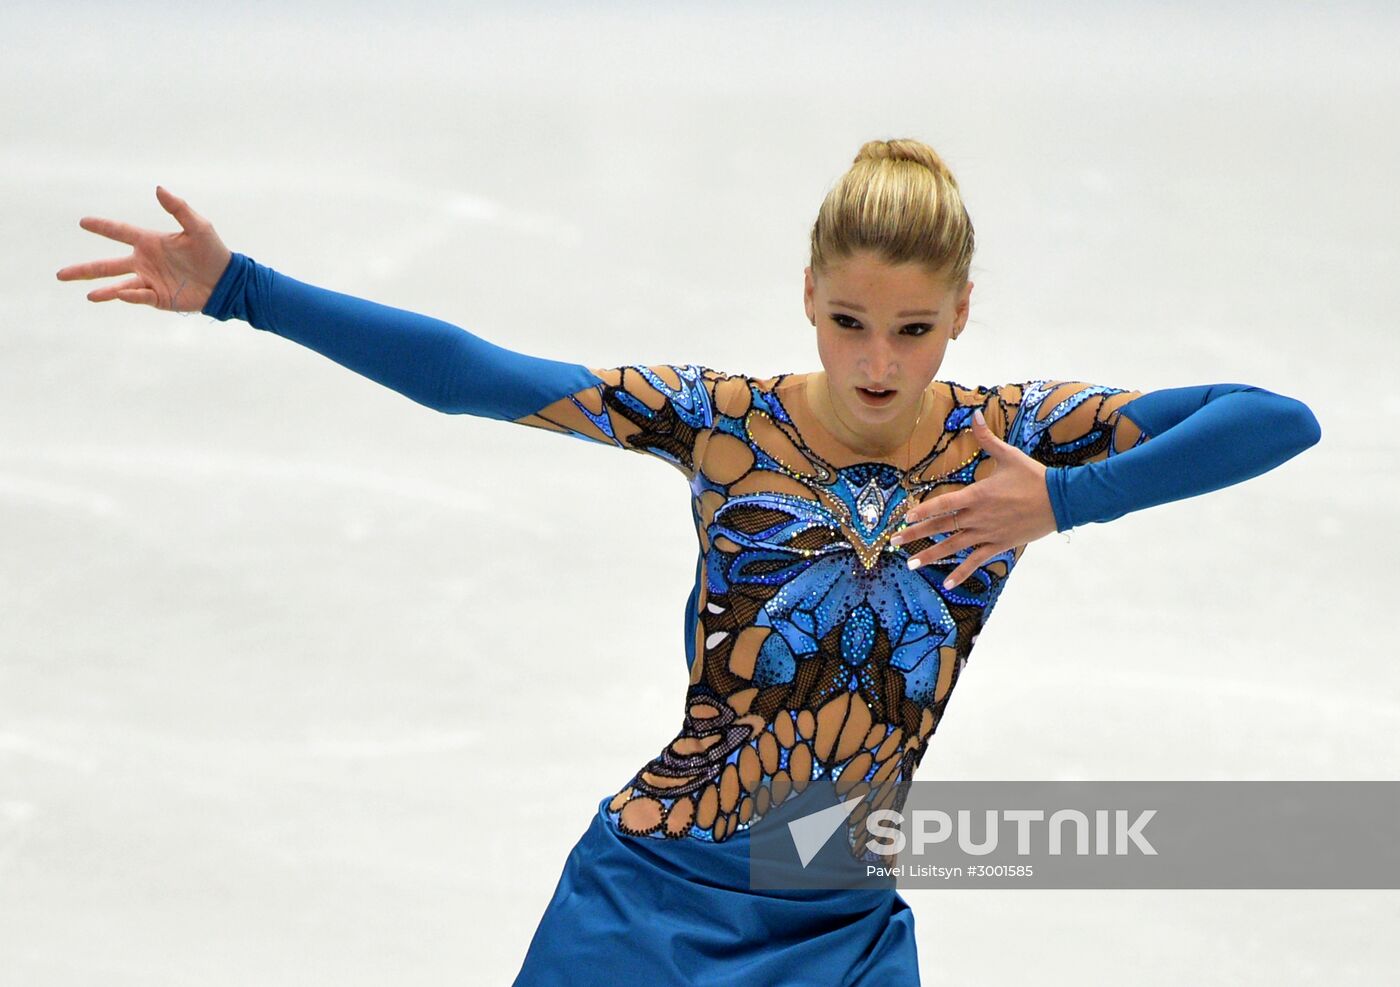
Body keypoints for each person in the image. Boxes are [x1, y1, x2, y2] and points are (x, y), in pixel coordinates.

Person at [56, 138, 1321, 985]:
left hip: (838, 905)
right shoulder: (723, 425)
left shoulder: (1011, 446)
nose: (877, 362)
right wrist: (245, 291)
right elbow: (481, 378)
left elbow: (1273, 417)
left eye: (913, 329)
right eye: (847, 322)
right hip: (649, 899)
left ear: (961, 315)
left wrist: (1066, 500)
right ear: (807, 295)